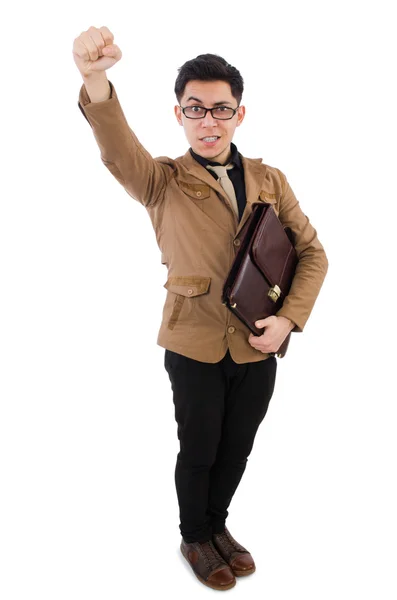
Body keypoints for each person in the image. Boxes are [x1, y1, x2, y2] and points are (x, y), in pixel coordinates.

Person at [73, 25, 328, 591]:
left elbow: (312, 253)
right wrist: (94, 79)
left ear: (240, 114)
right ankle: (195, 536)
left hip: (259, 341)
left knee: (237, 447)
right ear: (179, 114)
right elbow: (118, 150)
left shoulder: (270, 179)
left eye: (220, 109)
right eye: (196, 109)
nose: (208, 121)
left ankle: (219, 525)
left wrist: (288, 319)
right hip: (192, 342)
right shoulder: (161, 180)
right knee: (200, 448)